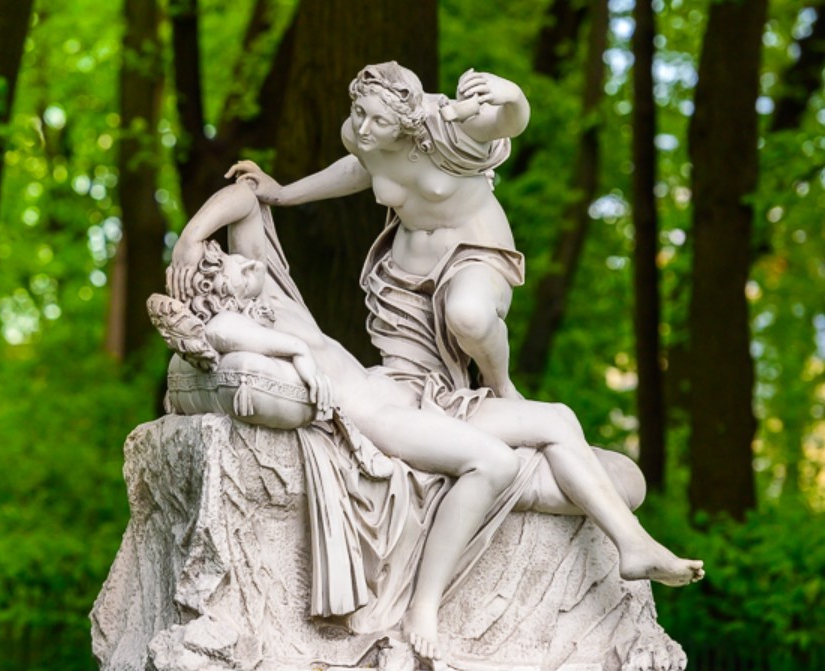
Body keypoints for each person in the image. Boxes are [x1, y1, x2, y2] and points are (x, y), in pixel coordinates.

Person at [161, 181, 704, 662]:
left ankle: (633, 545)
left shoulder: (271, 294)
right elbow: (221, 336)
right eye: (226, 265)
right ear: (216, 291)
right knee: (491, 463)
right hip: (380, 418)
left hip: (415, 395)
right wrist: (297, 354)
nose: (244, 262)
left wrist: (190, 238)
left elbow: (244, 198)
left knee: (558, 418)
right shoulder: (235, 321)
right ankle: (423, 607)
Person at [226, 61, 530, 404]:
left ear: (404, 122)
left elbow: (509, 123)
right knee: (409, 393)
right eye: (359, 112)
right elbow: (362, 169)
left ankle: (501, 387)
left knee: (469, 316)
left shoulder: (447, 129)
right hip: (405, 274)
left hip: (472, 249)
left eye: (379, 121)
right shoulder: (359, 136)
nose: (364, 128)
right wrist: (284, 193)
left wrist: (513, 96)